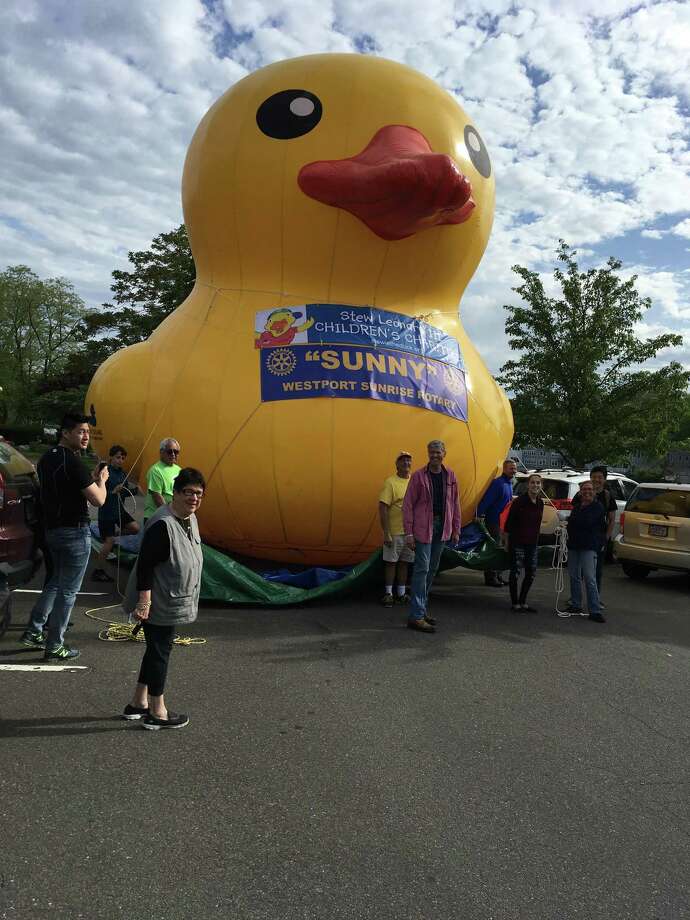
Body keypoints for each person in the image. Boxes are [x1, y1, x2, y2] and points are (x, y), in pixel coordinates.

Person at [20, 413, 108, 660]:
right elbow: (98, 499)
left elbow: (67, 488)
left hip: (52, 530)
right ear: (65, 433)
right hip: (74, 532)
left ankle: (34, 630)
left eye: (87, 432)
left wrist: (90, 480)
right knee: (68, 591)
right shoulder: (73, 462)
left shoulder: (48, 458)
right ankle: (54, 644)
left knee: (55, 582)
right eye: (81, 431)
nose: (86, 436)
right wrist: (101, 481)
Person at [122, 467, 205, 730]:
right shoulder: (163, 524)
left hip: (173, 597)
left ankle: (138, 703)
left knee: (156, 649)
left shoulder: (188, 518)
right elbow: (145, 566)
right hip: (159, 600)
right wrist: (144, 603)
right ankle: (157, 712)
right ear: (176, 493)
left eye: (199, 494)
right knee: (160, 652)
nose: (194, 498)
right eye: (188, 492)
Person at [403, 440, 461, 633]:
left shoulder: (450, 475)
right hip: (423, 528)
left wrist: (456, 528)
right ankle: (416, 616)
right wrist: (409, 533)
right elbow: (408, 505)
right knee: (422, 569)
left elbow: (455, 504)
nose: (434, 455)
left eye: (438, 452)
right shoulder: (419, 476)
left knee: (432, 569)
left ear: (444, 453)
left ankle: (422, 608)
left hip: (442, 528)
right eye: (431, 452)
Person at [92, 445, 140, 583]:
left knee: (135, 528)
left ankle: (112, 537)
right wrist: (113, 491)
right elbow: (98, 491)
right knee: (109, 541)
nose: (120, 460)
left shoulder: (123, 473)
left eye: (123, 458)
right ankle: (98, 571)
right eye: (118, 457)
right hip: (106, 511)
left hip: (119, 510)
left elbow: (125, 491)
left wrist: (135, 490)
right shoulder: (105, 472)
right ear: (111, 457)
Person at [571, 465, 616, 603]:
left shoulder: (607, 496)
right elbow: (574, 513)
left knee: (595, 573)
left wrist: (606, 537)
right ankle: (576, 600)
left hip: (598, 539)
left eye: (600, 477)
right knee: (577, 573)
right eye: (594, 477)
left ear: (604, 479)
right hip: (579, 539)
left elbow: (611, 519)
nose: (596, 480)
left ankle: (596, 599)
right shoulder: (581, 494)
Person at [564, 481, 606, 623]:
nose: (587, 492)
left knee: (590, 578)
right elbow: (572, 525)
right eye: (584, 489)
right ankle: (576, 604)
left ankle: (594, 610)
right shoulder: (576, 507)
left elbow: (587, 522)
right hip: (574, 545)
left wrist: (569, 520)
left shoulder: (598, 507)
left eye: (590, 489)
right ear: (580, 492)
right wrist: (567, 522)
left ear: (594, 492)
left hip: (589, 546)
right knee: (574, 576)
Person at [501, 473, 544, 613]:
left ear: (541, 485)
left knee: (531, 572)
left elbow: (537, 525)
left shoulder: (540, 502)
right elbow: (508, 523)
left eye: (538, 483)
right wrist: (506, 542)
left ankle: (523, 601)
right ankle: (515, 603)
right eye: (533, 482)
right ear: (528, 484)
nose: (535, 485)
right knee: (516, 572)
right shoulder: (519, 501)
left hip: (532, 542)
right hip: (517, 541)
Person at [378, 451, 414, 607]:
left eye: (408, 460)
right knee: (391, 563)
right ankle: (388, 593)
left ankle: (401, 593)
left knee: (404, 563)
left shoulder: (414, 482)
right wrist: (386, 532)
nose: (406, 463)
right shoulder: (391, 482)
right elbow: (383, 507)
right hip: (395, 531)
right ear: (397, 464)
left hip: (410, 533)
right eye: (403, 461)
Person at [477, 458, 517, 587]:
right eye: (511, 468)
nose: (514, 470)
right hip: (494, 522)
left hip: (504, 523)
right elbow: (487, 500)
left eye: (515, 468)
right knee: (494, 549)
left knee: (501, 550)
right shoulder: (498, 483)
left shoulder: (510, 483)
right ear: (504, 469)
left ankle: (498, 575)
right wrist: (479, 514)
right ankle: (490, 577)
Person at [143, 438, 181, 523]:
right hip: (157, 517)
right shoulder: (156, 470)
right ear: (161, 452)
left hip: (172, 515)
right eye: (169, 451)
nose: (173, 454)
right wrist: (171, 517)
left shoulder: (179, 470)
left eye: (176, 452)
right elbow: (157, 497)